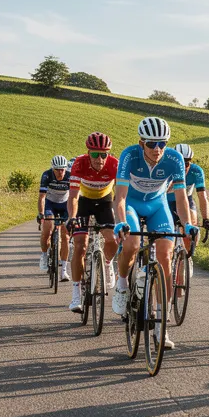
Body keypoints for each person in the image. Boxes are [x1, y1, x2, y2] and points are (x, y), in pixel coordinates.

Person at [112, 117, 197, 350]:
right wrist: (120, 223)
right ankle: (121, 286)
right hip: (131, 203)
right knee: (131, 243)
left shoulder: (174, 159)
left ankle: (162, 325)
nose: (158, 149)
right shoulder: (129, 155)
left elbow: (181, 199)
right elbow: (119, 198)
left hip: (158, 206)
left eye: (162, 143)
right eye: (152, 144)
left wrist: (187, 225)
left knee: (165, 259)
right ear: (141, 143)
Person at [66, 132, 119, 313]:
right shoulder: (79, 163)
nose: (100, 158)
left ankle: (107, 264)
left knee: (112, 239)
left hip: (105, 202)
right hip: (84, 202)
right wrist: (72, 218)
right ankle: (75, 294)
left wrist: (121, 218)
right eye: (95, 154)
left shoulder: (114, 164)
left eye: (104, 154)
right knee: (80, 245)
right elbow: (73, 196)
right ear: (88, 152)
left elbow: (120, 195)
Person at [168, 143, 209, 279]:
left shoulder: (196, 171)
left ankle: (189, 255)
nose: (184, 166)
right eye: (180, 162)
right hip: (167, 202)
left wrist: (206, 218)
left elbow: (202, 196)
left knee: (192, 222)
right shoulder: (167, 169)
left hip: (186, 201)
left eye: (187, 163)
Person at [38, 155, 73, 280]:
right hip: (50, 204)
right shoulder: (46, 175)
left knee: (66, 236)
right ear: (53, 169)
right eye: (57, 170)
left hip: (65, 204)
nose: (60, 172)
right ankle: (44, 255)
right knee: (47, 230)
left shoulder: (70, 176)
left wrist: (74, 214)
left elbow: (75, 197)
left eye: (62, 169)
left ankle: (63, 270)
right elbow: (42, 197)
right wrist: (41, 213)